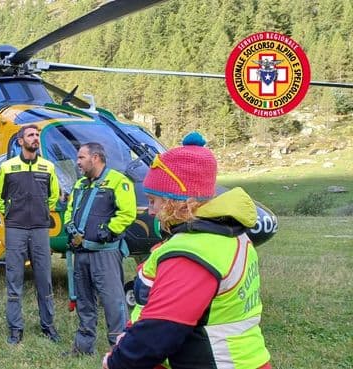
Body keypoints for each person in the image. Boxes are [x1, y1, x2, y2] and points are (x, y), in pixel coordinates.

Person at [103, 132, 271, 369]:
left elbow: (159, 332)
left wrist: (117, 361)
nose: (150, 211)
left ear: (177, 202)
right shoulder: (231, 235)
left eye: (153, 201)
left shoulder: (191, 253)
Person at [62, 142, 135, 356]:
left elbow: (128, 213)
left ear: (95, 158)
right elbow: (69, 210)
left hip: (105, 254)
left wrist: (110, 230)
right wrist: (70, 226)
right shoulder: (80, 185)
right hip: (81, 253)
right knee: (84, 301)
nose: (77, 162)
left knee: (113, 301)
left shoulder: (118, 181)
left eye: (81, 158)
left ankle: (119, 350)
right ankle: (83, 347)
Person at [0, 124, 61, 344]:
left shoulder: (48, 167)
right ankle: (15, 328)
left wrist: (41, 212)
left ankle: (48, 325)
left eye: (37, 135)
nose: (35, 138)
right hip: (16, 229)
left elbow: (53, 196)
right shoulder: (8, 167)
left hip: (40, 228)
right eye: (31, 135)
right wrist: (11, 214)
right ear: (20, 141)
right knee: (14, 278)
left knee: (44, 279)